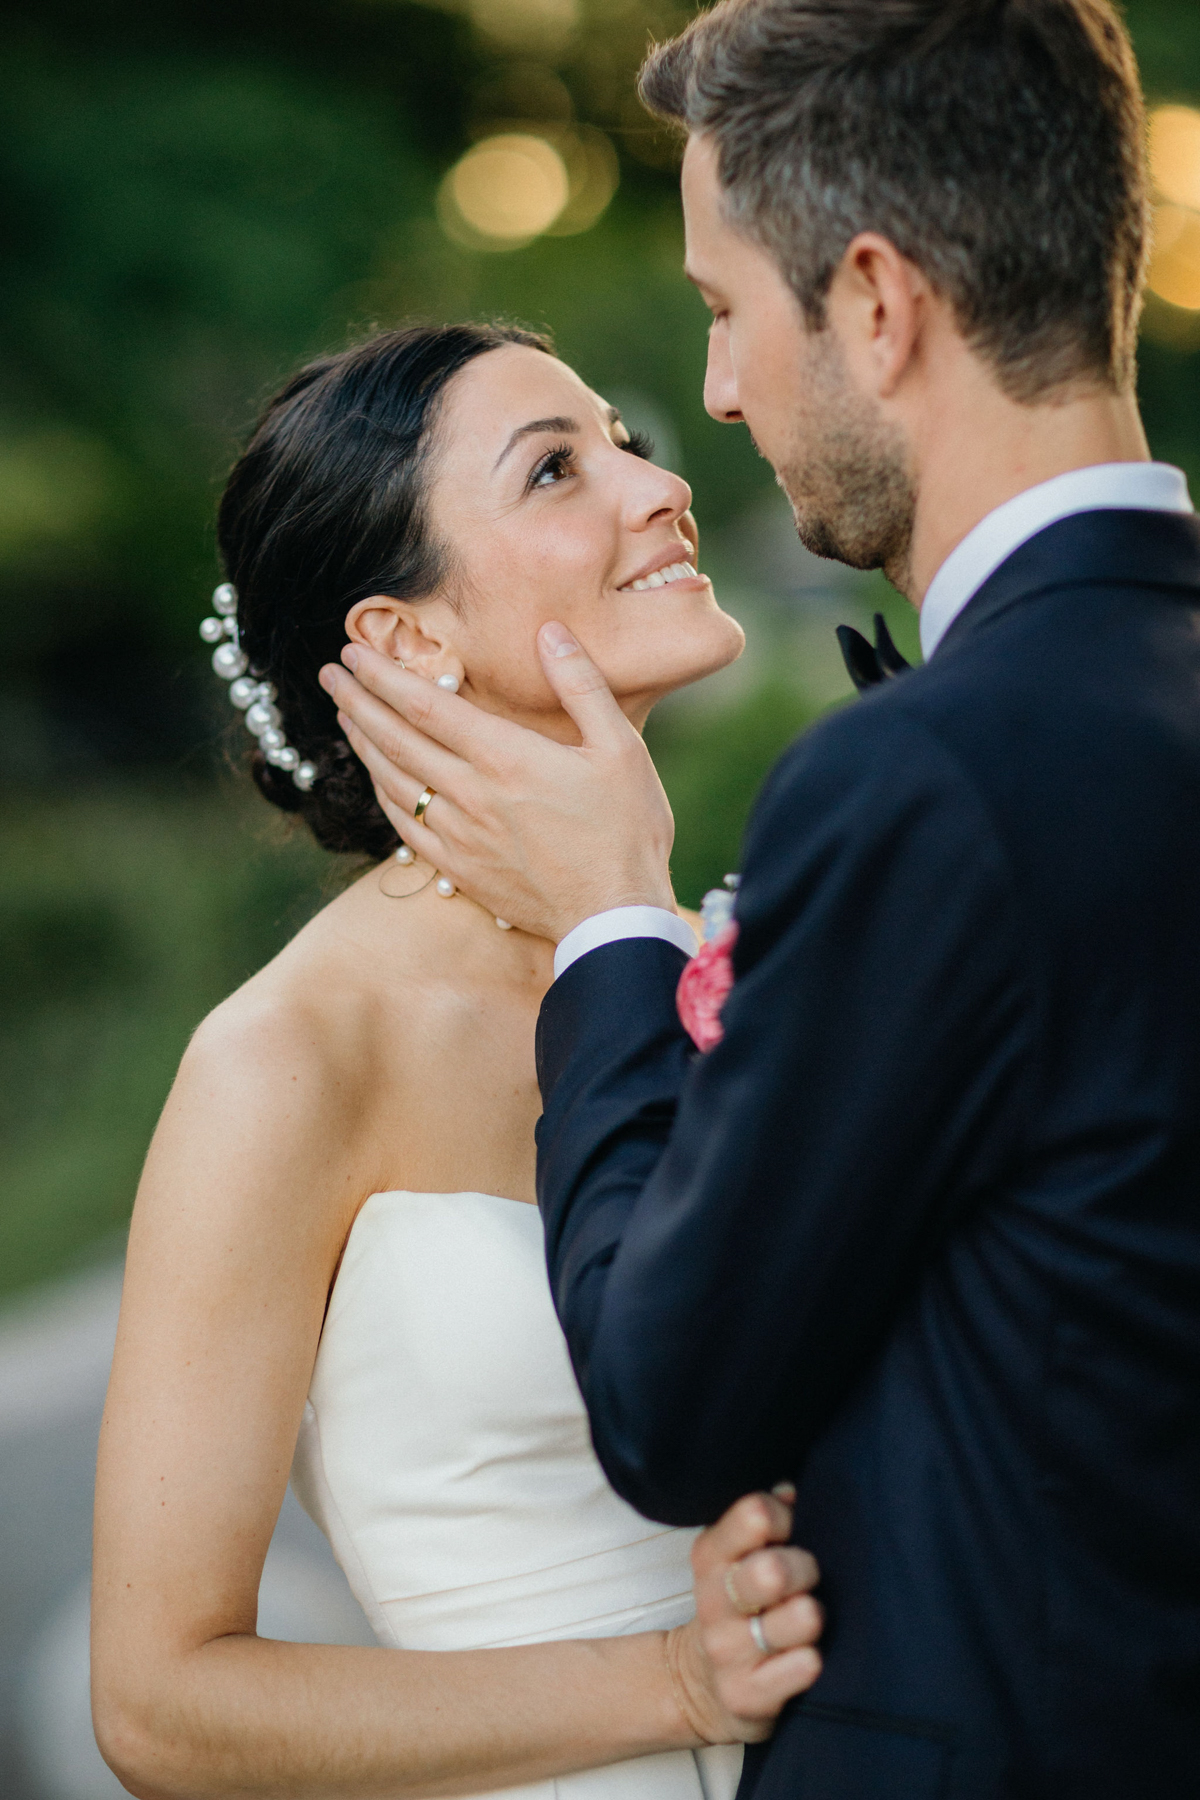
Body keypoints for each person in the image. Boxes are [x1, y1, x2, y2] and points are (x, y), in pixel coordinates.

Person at [322, 3, 1200, 1797]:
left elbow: (665, 1397)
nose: (714, 401)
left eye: (728, 312)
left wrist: (612, 924)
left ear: (875, 305)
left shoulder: (926, 783)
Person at [90, 322, 829, 1800]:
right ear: (405, 643)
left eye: (620, 437)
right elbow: (161, 1704)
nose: (653, 484)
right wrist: (679, 1680)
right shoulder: (289, 1058)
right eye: (559, 468)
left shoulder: (719, 955)